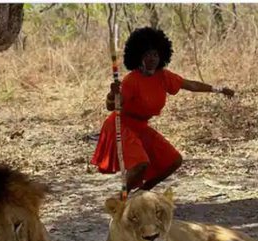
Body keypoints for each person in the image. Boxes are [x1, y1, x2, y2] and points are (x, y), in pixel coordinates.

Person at [91, 27, 235, 192]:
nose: (152, 59)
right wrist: (112, 94)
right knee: (140, 164)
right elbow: (113, 106)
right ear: (139, 57)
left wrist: (219, 89)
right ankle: (120, 200)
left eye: (155, 55)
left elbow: (191, 85)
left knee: (174, 161)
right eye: (147, 55)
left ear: (161, 56)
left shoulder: (164, 76)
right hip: (122, 125)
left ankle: (142, 193)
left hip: (141, 127)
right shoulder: (131, 81)